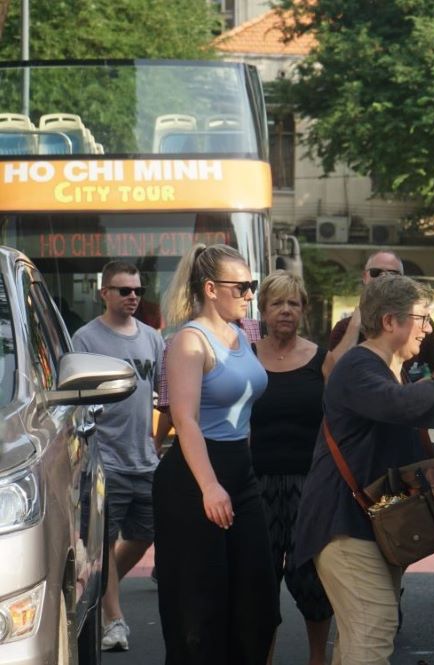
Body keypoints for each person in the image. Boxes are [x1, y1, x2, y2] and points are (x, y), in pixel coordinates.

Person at [292, 275, 434, 665]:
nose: (428, 329)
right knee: (373, 631)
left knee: (362, 638)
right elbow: (398, 405)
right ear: (390, 321)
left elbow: (407, 444)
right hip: (342, 526)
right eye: (422, 318)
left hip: (364, 525)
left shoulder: (393, 369)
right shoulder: (358, 364)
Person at [154, 243, 278, 664]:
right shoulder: (188, 341)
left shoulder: (246, 332)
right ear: (210, 288)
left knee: (258, 602)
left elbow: (247, 407)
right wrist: (210, 486)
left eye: (252, 286)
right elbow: (185, 420)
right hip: (194, 479)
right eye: (241, 287)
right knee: (200, 610)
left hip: (240, 474)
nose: (249, 294)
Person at [71, 261, 164, 652]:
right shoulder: (85, 339)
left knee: (145, 535)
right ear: (104, 293)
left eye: (137, 291)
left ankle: (99, 591)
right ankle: (114, 618)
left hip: (144, 457)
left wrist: (158, 444)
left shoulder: (152, 338)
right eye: (124, 290)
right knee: (104, 541)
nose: (132, 297)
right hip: (102, 459)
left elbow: (165, 393)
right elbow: (76, 400)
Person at [249, 271, 335, 665]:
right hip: (256, 485)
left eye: (293, 303)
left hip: (310, 485)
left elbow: (339, 423)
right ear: (263, 310)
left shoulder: (322, 360)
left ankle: (317, 658)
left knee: (312, 581)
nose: (285, 311)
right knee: (261, 583)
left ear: (303, 310)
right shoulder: (245, 357)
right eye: (277, 304)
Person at [329, 250, 434, 381]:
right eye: (377, 273)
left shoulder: (421, 325)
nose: (384, 278)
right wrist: (354, 326)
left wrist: (425, 387)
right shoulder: (347, 327)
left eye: (393, 274)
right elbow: (331, 373)